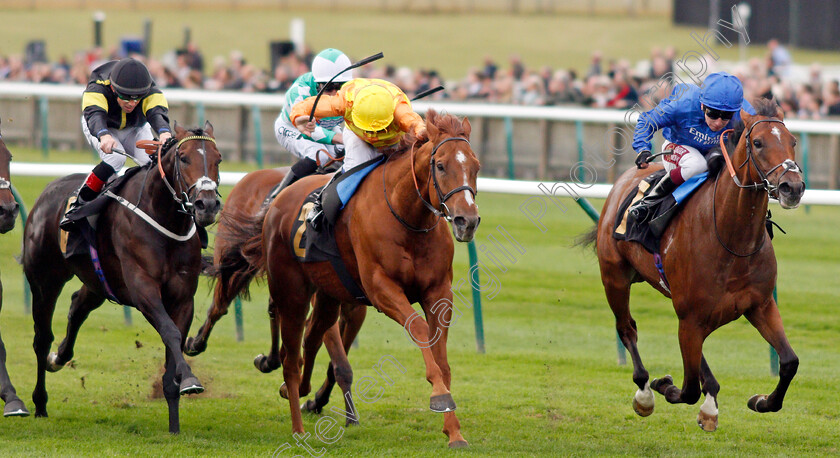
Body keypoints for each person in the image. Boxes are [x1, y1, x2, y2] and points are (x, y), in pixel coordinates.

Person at [289, 77, 427, 229]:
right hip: (357, 137)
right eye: (368, 129)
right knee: (354, 169)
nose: (373, 135)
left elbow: (415, 123)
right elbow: (306, 105)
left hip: (394, 141)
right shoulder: (345, 101)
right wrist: (298, 116)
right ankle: (320, 205)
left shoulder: (399, 107)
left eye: (377, 130)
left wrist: (422, 132)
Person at [60, 57, 172, 231]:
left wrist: (164, 132)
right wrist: (103, 135)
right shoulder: (98, 85)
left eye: (137, 99)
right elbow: (95, 114)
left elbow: (157, 112)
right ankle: (78, 204)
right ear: (113, 88)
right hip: (103, 126)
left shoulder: (148, 87)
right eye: (125, 98)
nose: (132, 103)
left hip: (135, 127)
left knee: (153, 163)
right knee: (115, 160)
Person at [628, 72, 756, 223]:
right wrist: (643, 148)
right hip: (677, 146)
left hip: (715, 153)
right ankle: (651, 200)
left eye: (726, 116)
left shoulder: (746, 114)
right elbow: (647, 121)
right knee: (697, 164)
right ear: (702, 105)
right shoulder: (682, 103)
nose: (718, 122)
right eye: (713, 113)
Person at [273, 48, 354, 193]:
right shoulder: (300, 91)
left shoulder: (353, 91)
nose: (335, 94)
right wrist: (342, 138)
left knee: (345, 151)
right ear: (317, 84)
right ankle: (277, 196)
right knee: (319, 155)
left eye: (340, 87)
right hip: (293, 128)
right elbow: (309, 130)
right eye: (329, 87)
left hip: (327, 126)